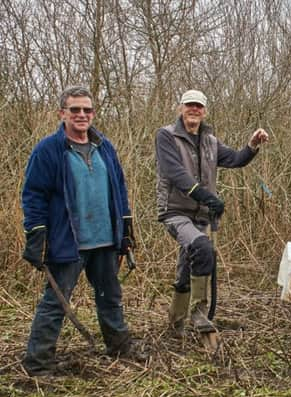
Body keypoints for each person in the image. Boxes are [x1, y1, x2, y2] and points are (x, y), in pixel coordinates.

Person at [21, 86, 138, 376]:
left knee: (110, 297)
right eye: (75, 110)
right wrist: (37, 235)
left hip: (105, 241)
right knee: (55, 302)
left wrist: (125, 230)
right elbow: (33, 195)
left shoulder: (105, 147)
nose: (82, 115)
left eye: (87, 110)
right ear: (62, 113)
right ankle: (38, 363)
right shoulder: (48, 150)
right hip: (68, 243)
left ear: (93, 113)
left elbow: (119, 190)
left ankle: (120, 347)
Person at [156, 89, 269, 336]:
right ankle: (199, 312)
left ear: (204, 111)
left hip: (200, 215)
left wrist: (252, 146)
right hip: (175, 211)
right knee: (202, 248)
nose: (193, 110)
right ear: (180, 108)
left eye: (198, 106)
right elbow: (175, 173)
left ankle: (175, 324)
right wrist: (206, 196)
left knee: (190, 262)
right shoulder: (166, 136)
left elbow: (236, 159)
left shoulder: (210, 141)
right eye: (189, 105)